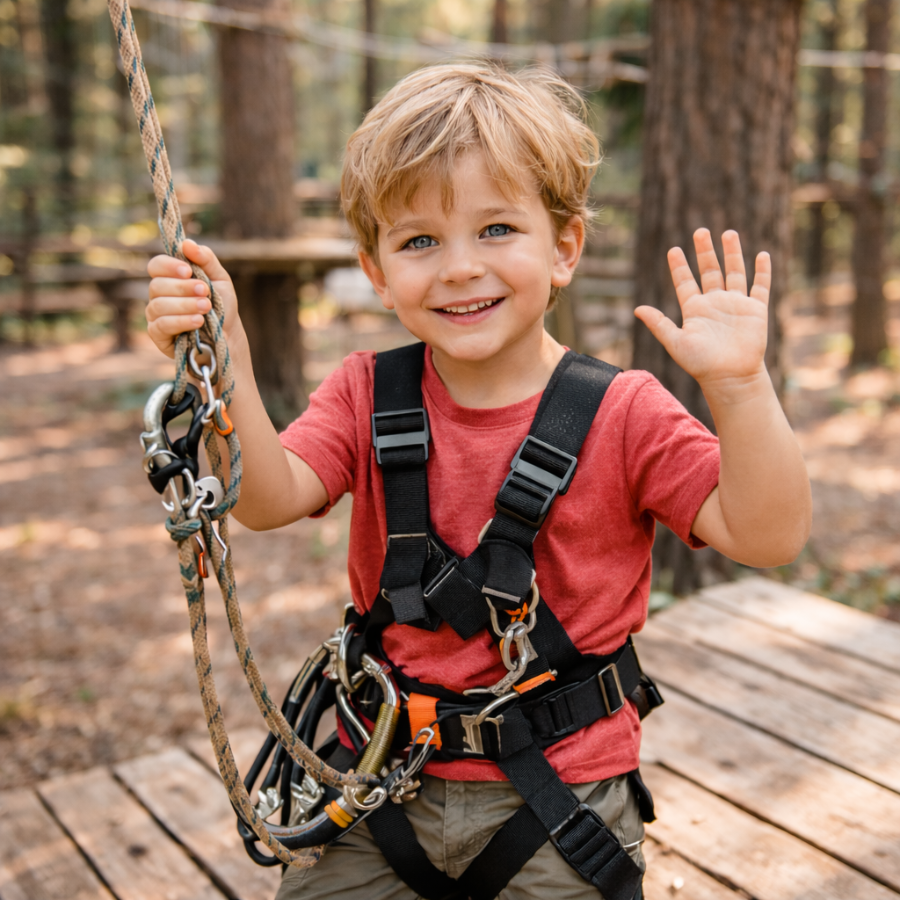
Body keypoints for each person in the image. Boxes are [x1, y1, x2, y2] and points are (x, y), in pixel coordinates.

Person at [145, 64, 811, 900]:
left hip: (562, 792)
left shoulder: (624, 412)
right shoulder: (365, 392)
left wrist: (742, 390)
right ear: (378, 272)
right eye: (420, 241)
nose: (460, 268)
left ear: (564, 247)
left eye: (497, 229)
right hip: (382, 778)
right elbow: (270, 498)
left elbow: (769, 533)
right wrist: (227, 352)